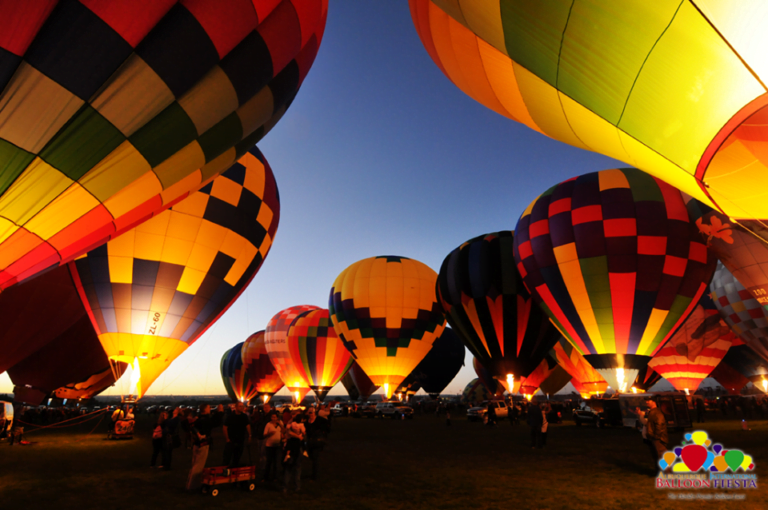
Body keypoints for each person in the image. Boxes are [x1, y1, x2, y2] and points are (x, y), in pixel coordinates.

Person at [186, 404, 224, 491]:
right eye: (208, 408)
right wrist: (220, 412)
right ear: (205, 410)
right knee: (198, 466)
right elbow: (215, 422)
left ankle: (189, 484)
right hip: (203, 444)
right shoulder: (205, 420)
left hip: (196, 444)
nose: (210, 409)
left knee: (194, 464)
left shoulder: (199, 419)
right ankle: (193, 487)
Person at [223, 401, 251, 468]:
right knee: (227, 457)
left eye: (242, 406)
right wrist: (227, 438)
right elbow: (224, 427)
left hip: (240, 440)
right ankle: (225, 471)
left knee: (237, 457)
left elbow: (248, 425)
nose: (242, 408)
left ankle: (234, 471)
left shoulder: (244, 416)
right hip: (231, 440)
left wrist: (249, 435)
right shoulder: (230, 416)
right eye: (240, 406)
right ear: (236, 407)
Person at [283, 413, 306, 493]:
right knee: (297, 468)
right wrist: (299, 436)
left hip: (290, 447)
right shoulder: (301, 426)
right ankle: (297, 486)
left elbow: (288, 432)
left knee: (289, 468)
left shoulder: (290, 425)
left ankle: (286, 487)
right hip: (296, 448)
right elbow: (304, 434)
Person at [305, 407, 330, 482]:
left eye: (311, 412)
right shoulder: (307, 422)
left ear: (314, 413)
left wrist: (323, 434)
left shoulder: (319, 420)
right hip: (310, 442)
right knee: (311, 456)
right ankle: (314, 473)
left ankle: (314, 476)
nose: (310, 414)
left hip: (317, 442)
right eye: (309, 413)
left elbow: (327, 426)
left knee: (315, 458)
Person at [644, 398, 668, 470]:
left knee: (661, 455)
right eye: (646, 400)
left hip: (658, 438)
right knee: (657, 456)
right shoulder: (652, 412)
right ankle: (659, 471)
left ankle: (667, 472)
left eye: (648, 400)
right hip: (654, 437)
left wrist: (656, 436)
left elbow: (660, 424)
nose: (647, 402)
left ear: (654, 402)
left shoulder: (656, 412)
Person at [262, 413, 283, 483]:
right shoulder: (268, 424)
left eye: (274, 417)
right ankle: (265, 477)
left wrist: (281, 425)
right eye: (272, 417)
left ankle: (275, 477)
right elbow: (264, 434)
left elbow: (284, 431)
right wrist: (269, 433)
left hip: (277, 446)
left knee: (276, 462)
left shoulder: (280, 424)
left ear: (277, 418)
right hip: (269, 446)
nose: (273, 418)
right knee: (268, 462)